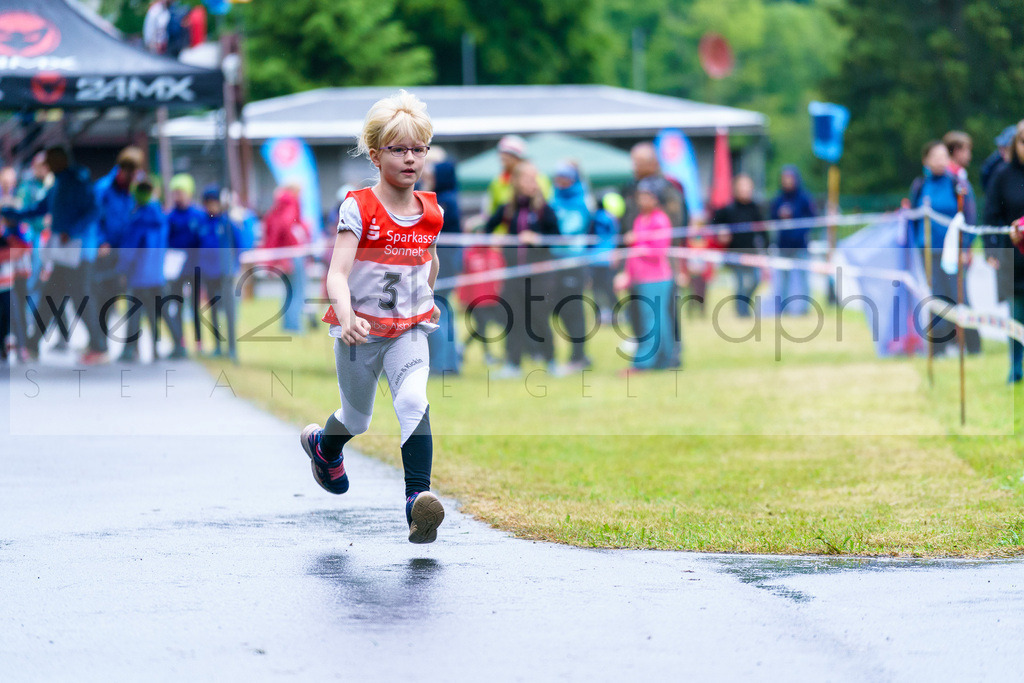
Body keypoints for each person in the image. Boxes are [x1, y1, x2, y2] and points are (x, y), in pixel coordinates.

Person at [302, 90, 446, 544]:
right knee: (357, 419)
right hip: (359, 331)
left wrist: (428, 295)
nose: (410, 159)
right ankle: (323, 448)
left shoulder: (432, 211)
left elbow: (429, 259)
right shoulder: (359, 206)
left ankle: (416, 502)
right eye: (398, 149)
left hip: (408, 328)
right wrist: (346, 317)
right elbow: (337, 274)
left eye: (418, 149)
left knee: (412, 400)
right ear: (375, 154)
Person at [3, 147, 98, 360]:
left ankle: (99, 347)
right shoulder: (59, 184)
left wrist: (71, 231)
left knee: (79, 298)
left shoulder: (77, 182)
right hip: (65, 254)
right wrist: (10, 213)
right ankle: (32, 344)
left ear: (60, 160)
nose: (48, 166)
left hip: (79, 254)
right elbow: (40, 209)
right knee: (50, 297)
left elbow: (93, 210)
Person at [484, 161, 560, 378]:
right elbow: (488, 228)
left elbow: (557, 237)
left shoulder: (544, 209)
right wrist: (494, 241)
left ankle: (551, 361)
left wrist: (538, 239)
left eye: (534, 178)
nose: (531, 183)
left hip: (539, 275)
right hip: (513, 274)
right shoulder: (508, 209)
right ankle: (513, 363)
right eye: (527, 178)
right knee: (513, 318)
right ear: (516, 181)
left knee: (539, 317)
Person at [909, 140, 979, 356]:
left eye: (943, 156)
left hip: (953, 252)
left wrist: (965, 247)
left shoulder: (957, 183)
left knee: (959, 296)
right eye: (935, 156)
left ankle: (973, 346)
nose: (940, 161)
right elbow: (913, 219)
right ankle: (939, 348)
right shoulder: (920, 185)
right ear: (926, 160)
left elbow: (970, 216)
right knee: (936, 298)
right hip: (929, 251)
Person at [87, 146, 146, 364]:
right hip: (107, 252)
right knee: (104, 299)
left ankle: (131, 348)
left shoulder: (137, 188)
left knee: (132, 298)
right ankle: (100, 345)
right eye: (130, 174)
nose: (133, 178)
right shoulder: (103, 188)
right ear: (122, 170)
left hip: (129, 252)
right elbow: (93, 218)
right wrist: (101, 241)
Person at [117, 177, 183, 362]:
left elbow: (130, 250)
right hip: (157, 274)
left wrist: (122, 270)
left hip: (139, 275)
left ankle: (130, 350)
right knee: (162, 312)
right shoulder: (161, 216)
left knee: (135, 313)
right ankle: (176, 346)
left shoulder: (137, 219)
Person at [616, 178, 677, 372]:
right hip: (641, 278)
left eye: (646, 196)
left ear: (655, 199)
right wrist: (627, 274)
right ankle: (664, 359)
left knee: (652, 320)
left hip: (657, 279)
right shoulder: (640, 220)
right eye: (640, 196)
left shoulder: (660, 220)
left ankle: (643, 364)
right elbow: (633, 253)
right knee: (657, 319)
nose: (641, 200)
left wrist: (638, 244)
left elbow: (659, 251)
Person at [982, 121, 1024, 383]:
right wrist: (992, 249)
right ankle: (1016, 367)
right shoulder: (1002, 176)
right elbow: (990, 216)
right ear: (1015, 145)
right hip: (1014, 259)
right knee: (1016, 316)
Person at [549, 162, 592, 371]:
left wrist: (549, 233)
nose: (561, 181)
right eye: (558, 177)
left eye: (565, 177)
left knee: (573, 310)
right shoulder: (553, 200)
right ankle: (573, 355)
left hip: (574, 262)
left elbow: (570, 230)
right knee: (560, 310)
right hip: (554, 262)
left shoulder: (582, 202)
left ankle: (579, 356)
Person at [196, 185, 245, 360]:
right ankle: (217, 345)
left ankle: (232, 348)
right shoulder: (201, 223)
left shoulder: (227, 223)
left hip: (225, 274)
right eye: (208, 203)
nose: (211, 207)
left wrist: (235, 265)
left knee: (229, 312)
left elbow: (239, 244)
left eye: (214, 203)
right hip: (208, 273)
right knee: (214, 310)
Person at [426, 159, 462, 375]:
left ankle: (441, 364)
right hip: (448, 263)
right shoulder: (450, 199)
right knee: (445, 312)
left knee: (438, 312)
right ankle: (450, 363)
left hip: (443, 265)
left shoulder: (444, 202)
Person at [712, 174, 766, 317]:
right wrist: (721, 231)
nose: (745, 190)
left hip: (752, 253)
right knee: (742, 283)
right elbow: (714, 222)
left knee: (756, 280)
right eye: (742, 186)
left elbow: (763, 231)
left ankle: (744, 307)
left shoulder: (755, 208)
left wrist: (765, 250)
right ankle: (742, 313)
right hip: (734, 253)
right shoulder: (728, 209)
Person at [261, 185, 311, 334]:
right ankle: (295, 326)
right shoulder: (291, 204)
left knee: (288, 292)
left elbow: (271, 234)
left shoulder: (275, 209)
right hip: (293, 255)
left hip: (282, 256)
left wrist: (272, 261)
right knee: (297, 291)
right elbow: (287, 226)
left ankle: (288, 325)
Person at [769, 165, 817, 315]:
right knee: (783, 279)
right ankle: (784, 309)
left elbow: (812, 219)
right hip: (783, 246)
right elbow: (772, 217)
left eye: (790, 178)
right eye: (785, 178)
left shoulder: (804, 198)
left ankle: (805, 310)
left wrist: (798, 232)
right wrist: (779, 215)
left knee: (804, 278)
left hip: (800, 245)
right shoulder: (778, 199)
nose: (787, 181)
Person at [165, 173, 203, 357]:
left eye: (181, 192)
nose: (177, 196)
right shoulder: (170, 217)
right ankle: (179, 340)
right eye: (175, 193)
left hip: (194, 267)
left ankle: (199, 341)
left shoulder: (198, 215)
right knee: (177, 305)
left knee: (195, 307)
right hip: (176, 269)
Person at [458, 241, 506, 366]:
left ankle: (462, 347)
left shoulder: (495, 255)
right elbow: (464, 278)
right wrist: (462, 299)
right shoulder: (469, 255)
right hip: (476, 300)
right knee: (482, 327)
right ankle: (487, 355)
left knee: (486, 327)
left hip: (494, 299)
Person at [484, 134, 552, 217]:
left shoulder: (539, 178)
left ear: (518, 157)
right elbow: (491, 212)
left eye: (508, 155)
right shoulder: (497, 181)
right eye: (502, 154)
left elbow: (543, 207)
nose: (503, 158)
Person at [590, 192, 623, 325]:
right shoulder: (608, 218)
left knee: (600, 289)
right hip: (602, 259)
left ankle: (606, 313)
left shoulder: (596, 217)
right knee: (605, 289)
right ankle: (610, 313)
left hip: (599, 259)